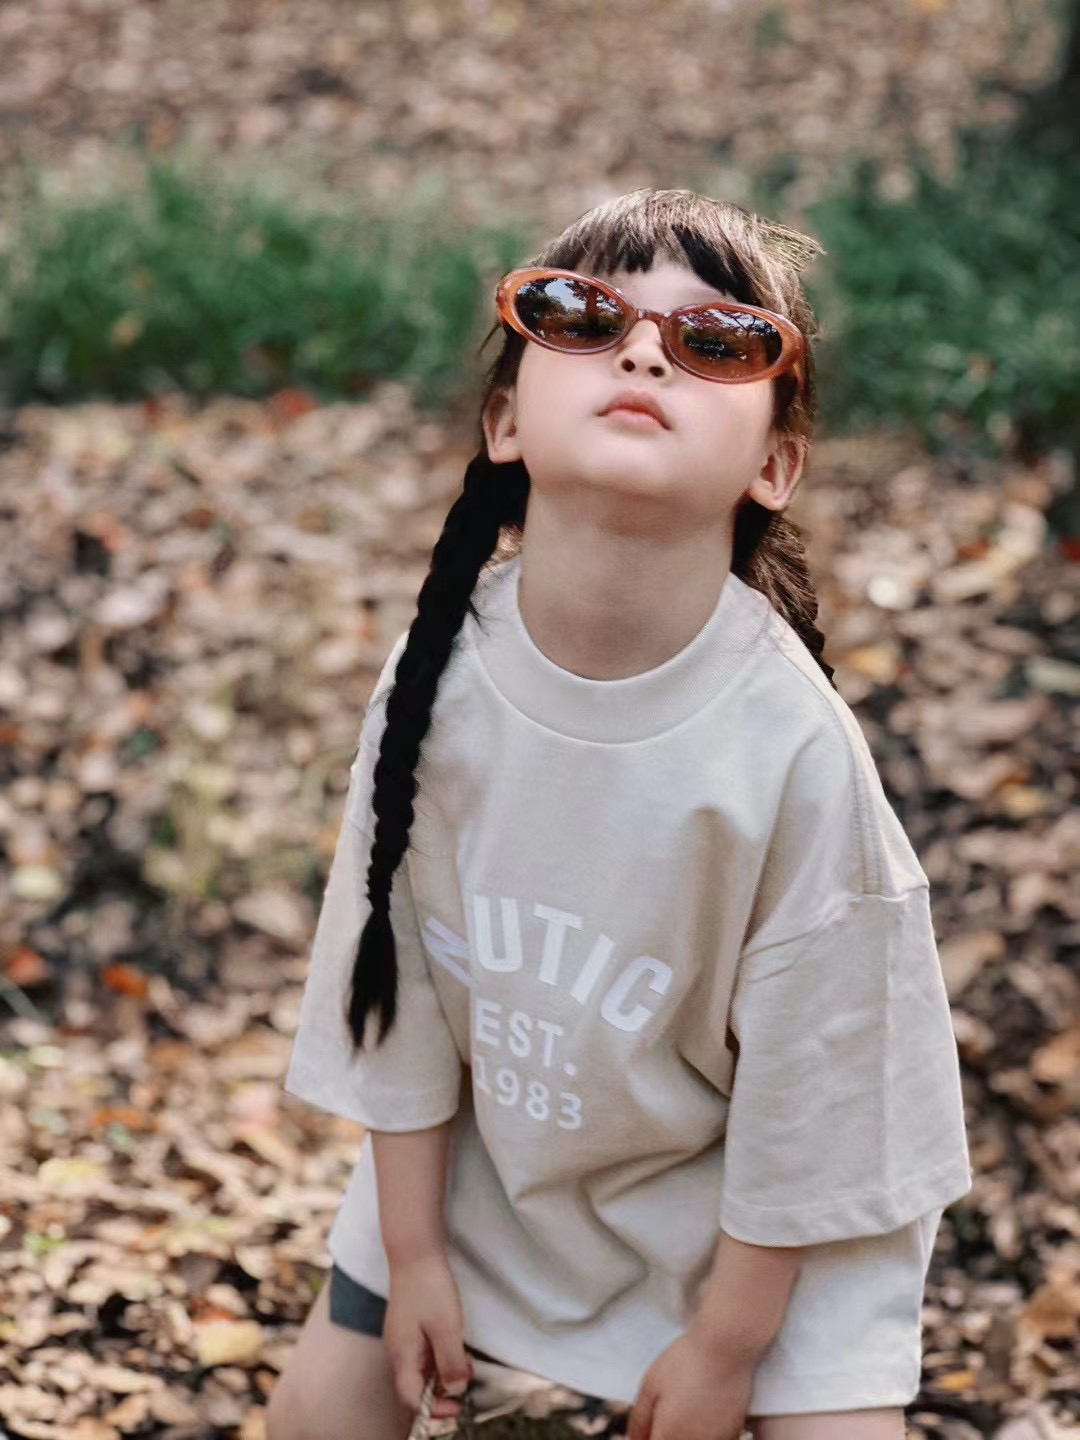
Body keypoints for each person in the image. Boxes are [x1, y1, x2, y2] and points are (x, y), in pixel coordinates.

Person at [267, 187, 973, 1440]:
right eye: (581, 316)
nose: (644, 352)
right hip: (501, 1167)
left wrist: (726, 1348)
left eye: (718, 341)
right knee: (316, 1416)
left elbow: (818, 1104)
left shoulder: (793, 752)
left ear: (774, 465)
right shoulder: (437, 681)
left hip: (759, 1226)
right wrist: (414, 1255)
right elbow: (401, 991)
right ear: (504, 420)